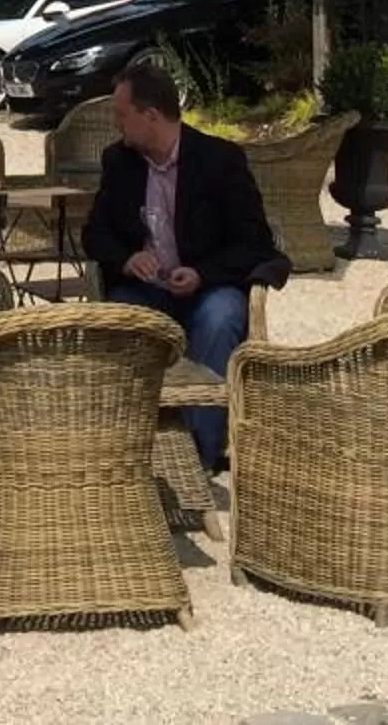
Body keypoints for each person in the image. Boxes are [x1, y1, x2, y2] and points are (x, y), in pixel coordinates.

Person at [84, 55, 284, 470]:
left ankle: (197, 456)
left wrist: (203, 274)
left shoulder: (220, 161)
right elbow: (93, 235)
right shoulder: (118, 162)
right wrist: (126, 258)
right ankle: (130, 450)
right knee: (122, 316)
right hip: (145, 289)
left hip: (209, 286)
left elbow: (256, 243)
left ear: (150, 116)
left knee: (220, 316)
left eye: (122, 116)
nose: (117, 125)